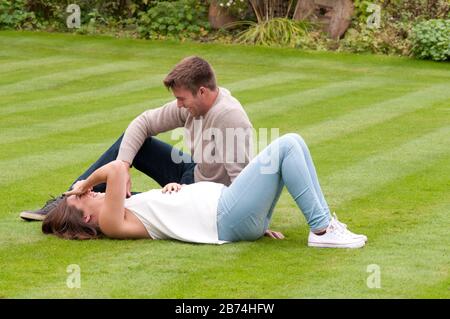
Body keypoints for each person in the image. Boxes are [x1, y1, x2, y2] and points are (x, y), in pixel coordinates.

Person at [20, 56, 253, 221]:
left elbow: (242, 181)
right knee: (133, 144)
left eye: (182, 98)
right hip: (194, 170)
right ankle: (68, 198)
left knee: (139, 205)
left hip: (204, 195)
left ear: (202, 91)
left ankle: (76, 210)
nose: (179, 104)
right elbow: (143, 123)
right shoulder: (191, 106)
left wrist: (252, 222)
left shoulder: (229, 117)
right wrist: (123, 165)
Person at [42, 134, 367, 248]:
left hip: (232, 212)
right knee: (285, 146)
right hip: (226, 215)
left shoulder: (126, 210)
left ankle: (326, 226)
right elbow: (115, 168)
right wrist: (81, 184)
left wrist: (175, 190)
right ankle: (323, 229)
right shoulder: (111, 223)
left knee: (291, 146)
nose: (94, 192)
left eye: (88, 191)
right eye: (88, 196)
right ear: (85, 216)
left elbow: (166, 212)